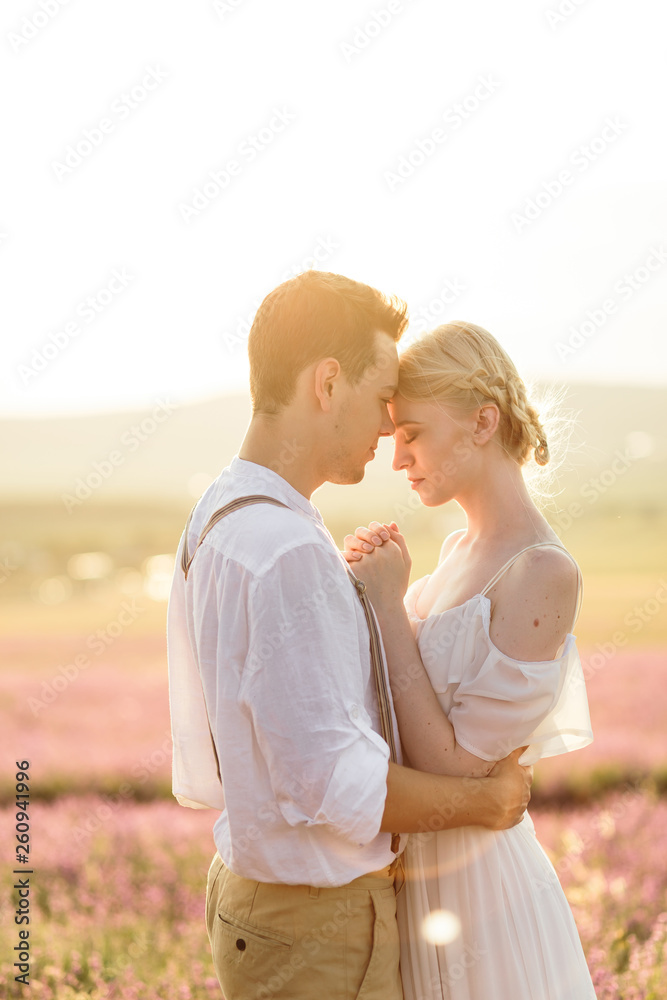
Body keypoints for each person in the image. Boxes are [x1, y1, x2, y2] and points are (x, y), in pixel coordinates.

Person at [167, 276, 533, 1000]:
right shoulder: (285, 549)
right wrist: (485, 804)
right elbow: (334, 783)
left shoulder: (220, 512)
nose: (386, 429)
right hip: (316, 928)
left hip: (261, 899)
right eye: (380, 398)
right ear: (327, 383)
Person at [343, 320, 596, 999]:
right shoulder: (455, 552)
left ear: (482, 421)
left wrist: (389, 606)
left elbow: (457, 768)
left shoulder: (541, 573)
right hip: (416, 882)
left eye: (413, 433)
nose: (397, 458)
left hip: (486, 899)